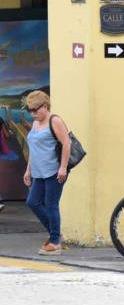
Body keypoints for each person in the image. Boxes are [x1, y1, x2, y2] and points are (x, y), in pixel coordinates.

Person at [23, 91, 70, 255]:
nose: (32, 113)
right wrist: (28, 170)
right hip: (38, 172)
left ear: (45, 106)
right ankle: (55, 234)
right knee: (32, 202)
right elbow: (33, 149)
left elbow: (66, 143)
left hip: (53, 171)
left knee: (51, 206)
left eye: (35, 109)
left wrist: (63, 167)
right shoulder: (36, 123)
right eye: (30, 110)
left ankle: (55, 242)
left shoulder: (54, 120)